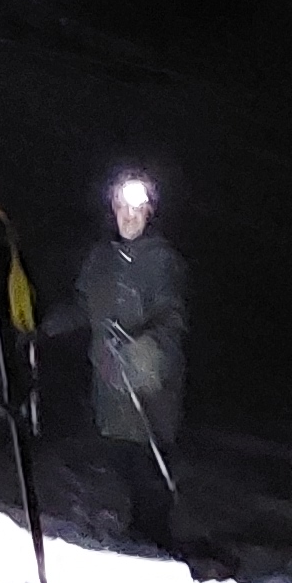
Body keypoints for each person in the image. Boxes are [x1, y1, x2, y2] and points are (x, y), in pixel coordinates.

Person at [62, 172, 190, 548]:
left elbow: (173, 317)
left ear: (150, 213)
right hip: (110, 385)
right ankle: (131, 534)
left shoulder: (163, 261)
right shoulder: (100, 260)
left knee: (150, 464)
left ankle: (156, 542)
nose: (129, 216)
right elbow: (83, 307)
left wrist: (144, 349)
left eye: (138, 208)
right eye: (122, 207)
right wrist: (43, 327)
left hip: (150, 388)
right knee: (119, 458)